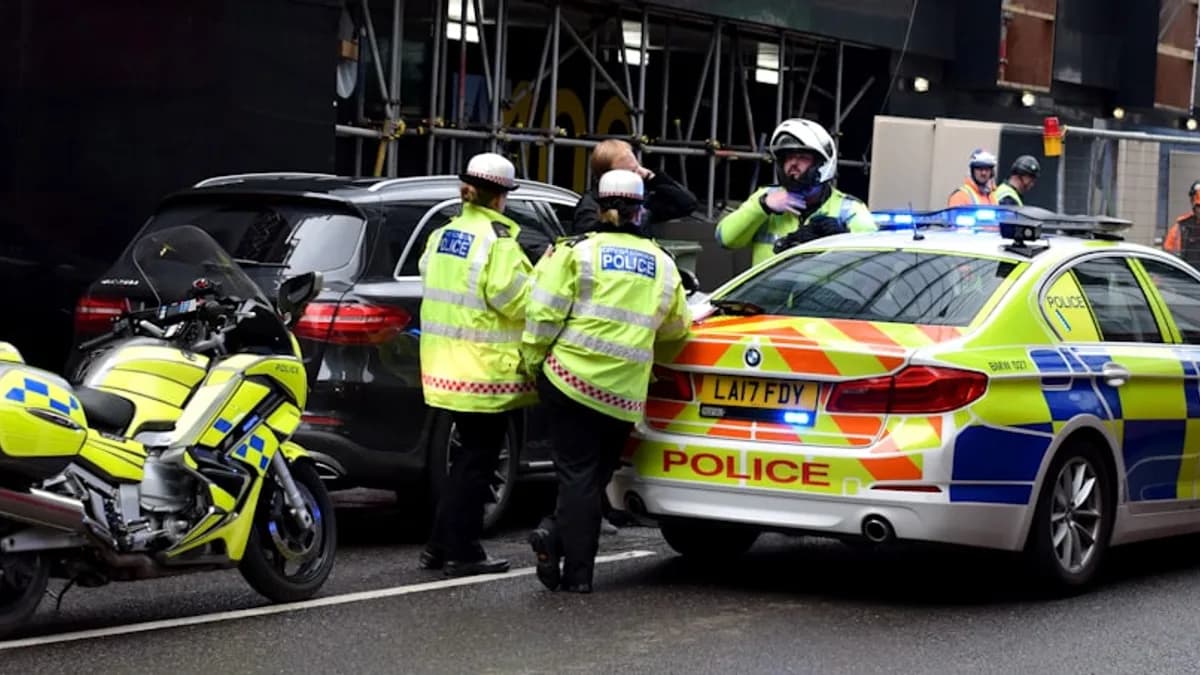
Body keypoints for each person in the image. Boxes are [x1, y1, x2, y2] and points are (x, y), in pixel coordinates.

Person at [521, 169, 692, 593]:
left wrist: (531, 361)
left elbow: (543, 313)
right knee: (593, 478)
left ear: (599, 208)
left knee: (576, 475)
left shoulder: (575, 253)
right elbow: (677, 330)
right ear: (640, 212)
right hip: (622, 395)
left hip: (569, 379)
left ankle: (575, 571)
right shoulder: (663, 264)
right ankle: (561, 548)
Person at [417, 152, 536, 578]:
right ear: (501, 196)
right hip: (483, 369)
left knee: (467, 458)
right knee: (476, 463)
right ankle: (462, 551)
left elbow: (431, 278)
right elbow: (516, 299)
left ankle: (438, 546)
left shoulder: (444, 234)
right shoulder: (498, 241)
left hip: (444, 366)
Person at [714, 118, 876, 266]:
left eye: (802, 157)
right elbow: (725, 239)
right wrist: (762, 206)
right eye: (788, 157)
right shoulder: (765, 197)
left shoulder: (849, 210)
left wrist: (842, 241)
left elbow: (874, 264)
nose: (792, 164)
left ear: (822, 163)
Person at [569, 139, 698, 236]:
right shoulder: (590, 205)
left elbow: (687, 204)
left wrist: (651, 177)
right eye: (629, 172)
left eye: (636, 169)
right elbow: (584, 241)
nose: (636, 177)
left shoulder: (641, 199)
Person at [1164, 179, 1200, 266]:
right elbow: (1168, 258)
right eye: (1199, 206)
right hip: (1187, 277)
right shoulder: (1180, 228)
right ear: (1193, 204)